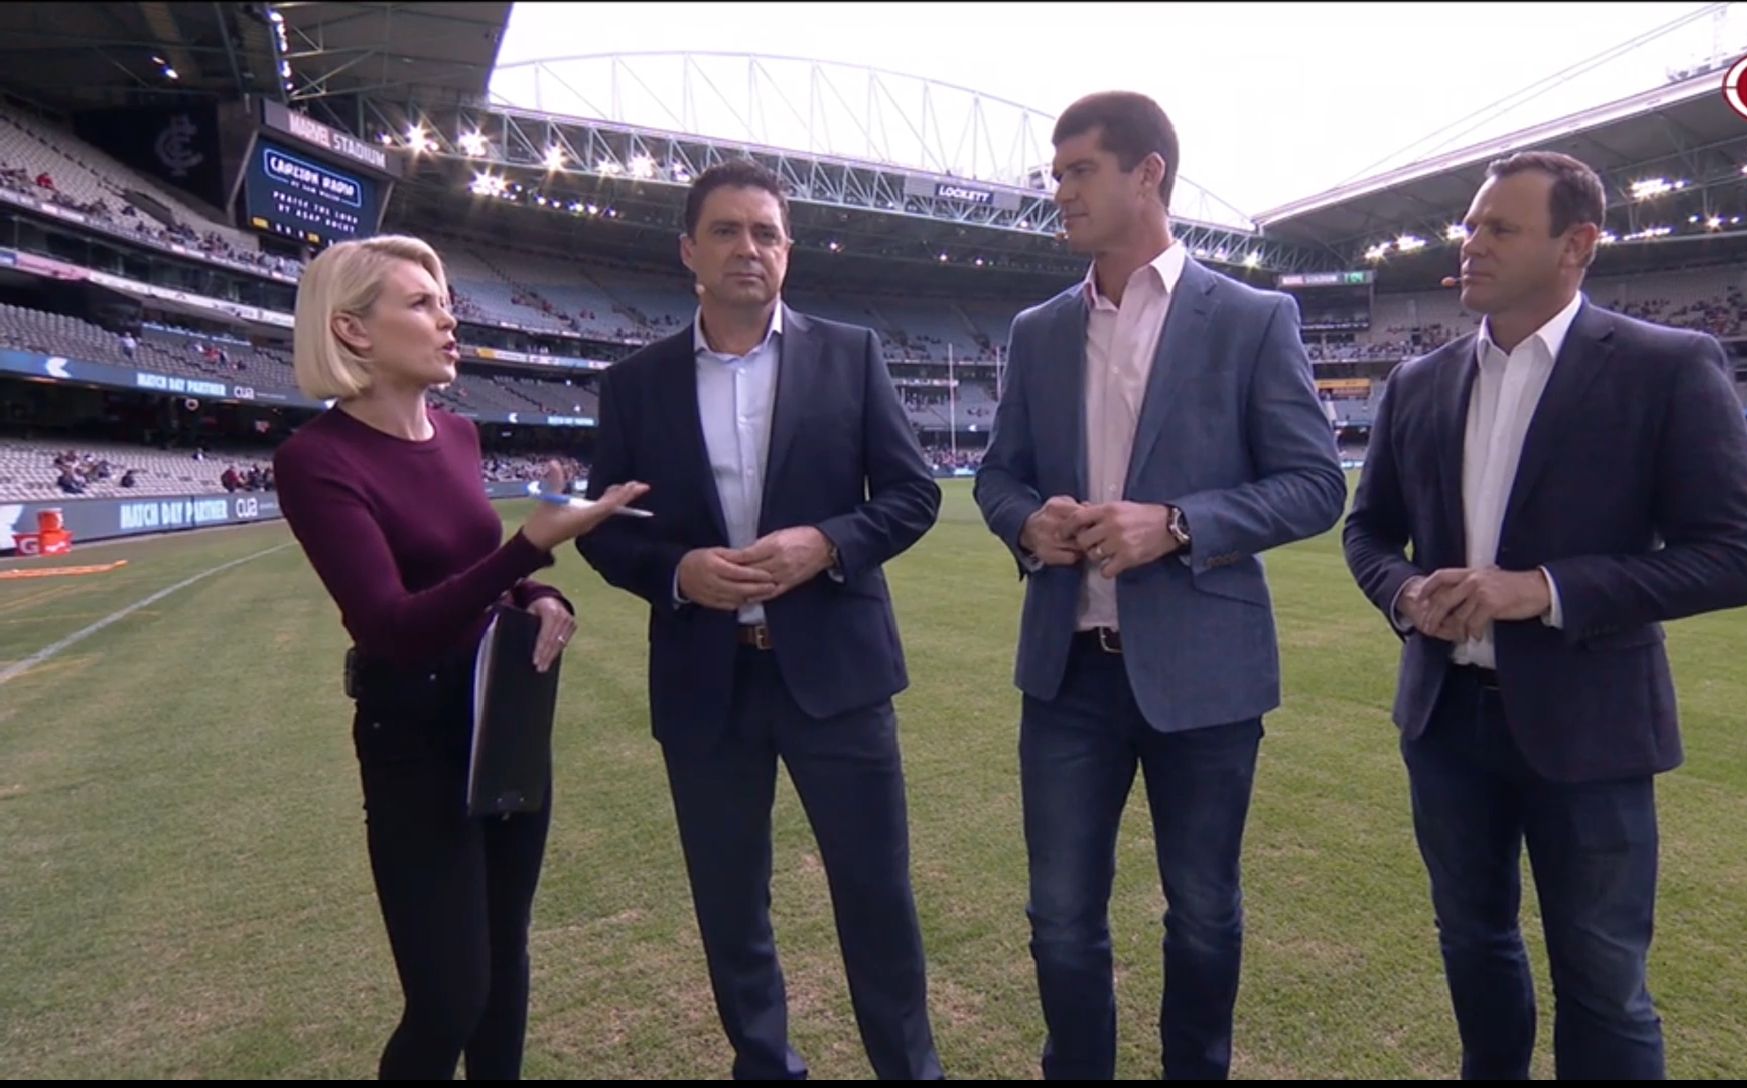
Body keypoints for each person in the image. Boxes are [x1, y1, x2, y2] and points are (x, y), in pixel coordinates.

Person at [1340, 150, 1747, 1080]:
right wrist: (1405, 592)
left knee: (1604, 980)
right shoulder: (1419, 382)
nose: (1471, 244)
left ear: (1577, 244)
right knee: (1473, 943)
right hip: (1446, 721)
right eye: (1470, 226)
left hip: (1591, 728)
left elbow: (1737, 556)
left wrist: (1543, 588)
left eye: (1501, 228)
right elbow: (1368, 531)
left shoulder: (1665, 367)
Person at [972, 92, 1345, 1080]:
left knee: (1203, 910)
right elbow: (998, 474)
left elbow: (1316, 485)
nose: (1060, 192)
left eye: (1079, 170)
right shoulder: (1039, 329)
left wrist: (1176, 524)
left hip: (1206, 674)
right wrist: (1027, 522)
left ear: (1148, 175)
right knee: (1060, 917)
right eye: (1055, 174)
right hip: (1069, 672)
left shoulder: (1252, 318)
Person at [576, 160, 944, 1080]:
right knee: (731, 905)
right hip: (707, 682)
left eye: (767, 233)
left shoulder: (850, 354)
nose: (750, 247)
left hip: (839, 680)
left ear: (788, 251)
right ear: (689, 251)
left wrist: (826, 542)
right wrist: (677, 573)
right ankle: (765, 1064)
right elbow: (605, 531)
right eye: (728, 231)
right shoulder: (634, 384)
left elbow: (913, 496)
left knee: (877, 899)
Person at [273, 234, 649, 1080]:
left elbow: (474, 575)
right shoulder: (315, 461)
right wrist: (531, 547)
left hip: (502, 718)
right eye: (421, 304)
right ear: (351, 329)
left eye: (446, 302)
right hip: (415, 738)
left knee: (503, 973)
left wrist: (540, 594)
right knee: (449, 997)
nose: (449, 321)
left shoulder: (459, 434)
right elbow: (390, 628)